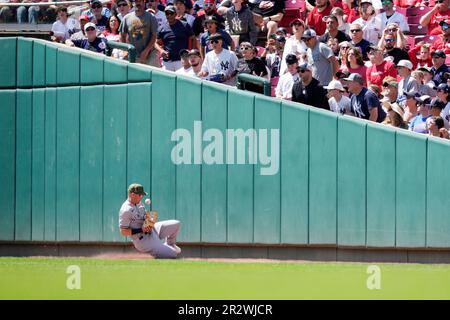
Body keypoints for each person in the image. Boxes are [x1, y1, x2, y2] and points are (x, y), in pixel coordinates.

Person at [119, 183, 181, 259]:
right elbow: (123, 231)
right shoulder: (126, 210)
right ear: (132, 195)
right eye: (140, 195)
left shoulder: (139, 203)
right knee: (173, 254)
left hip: (152, 230)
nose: (141, 197)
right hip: (142, 240)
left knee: (176, 224)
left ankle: (169, 244)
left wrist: (150, 220)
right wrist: (141, 229)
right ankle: (163, 249)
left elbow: (145, 218)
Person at [156, 5, 198, 71]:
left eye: (171, 13)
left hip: (182, 60)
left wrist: (191, 53)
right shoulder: (162, 28)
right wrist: (161, 51)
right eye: (167, 13)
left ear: (175, 14)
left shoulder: (184, 25)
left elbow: (193, 38)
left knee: (182, 80)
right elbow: (155, 42)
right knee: (168, 81)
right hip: (167, 61)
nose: (169, 15)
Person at [120, 0, 160, 67]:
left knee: (154, 75)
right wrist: (124, 50)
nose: (138, 3)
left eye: (140, 1)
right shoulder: (126, 18)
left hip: (150, 54)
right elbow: (122, 35)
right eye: (136, 1)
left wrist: (146, 50)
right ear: (132, 3)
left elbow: (154, 36)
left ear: (144, 2)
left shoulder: (151, 17)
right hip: (133, 54)